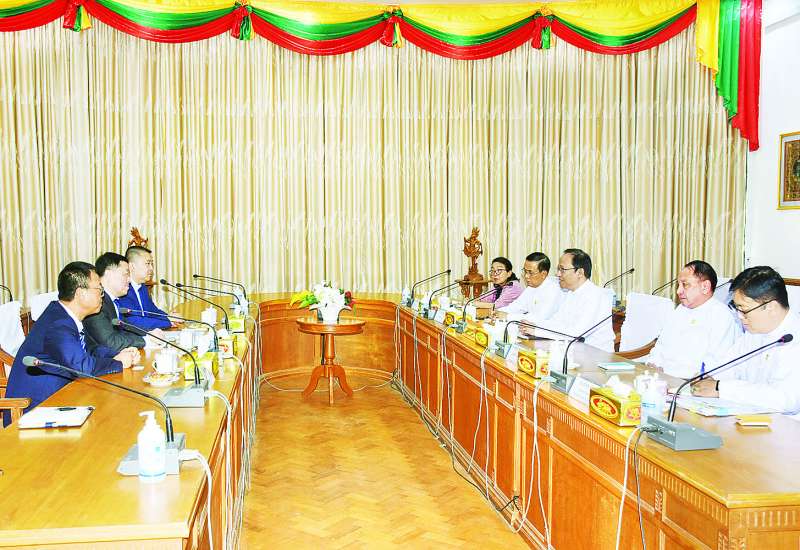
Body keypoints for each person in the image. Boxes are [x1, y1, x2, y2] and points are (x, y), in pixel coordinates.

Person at [4, 262, 137, 426]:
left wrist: (119, 354)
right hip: (35, 410)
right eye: (99, 290)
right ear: (80, 293)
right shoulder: (58, 323)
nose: (102, 295)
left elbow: (90, 349)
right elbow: (81, 366)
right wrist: (118, 363)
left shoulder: (67, 316)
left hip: (64, 397)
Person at [691, 266, 800, 414]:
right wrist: (709, 378)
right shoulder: (754, 332)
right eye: (736, 308)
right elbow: (729, 366)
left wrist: (721, 388)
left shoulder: (795, 339)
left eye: (743, 309)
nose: (739, 316)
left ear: (771, 307)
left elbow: (785, 400)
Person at [645, 261, 740, 378]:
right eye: (678, 285)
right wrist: (653, 364)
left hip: (690, 382)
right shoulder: (680, 309)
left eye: (685, 285)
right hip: (661, 377)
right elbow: (660, 346)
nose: (678, 291)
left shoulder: (721, 315)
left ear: (705, 287)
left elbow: (715, 364)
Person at [536, 248, 615, 351]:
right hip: (573, 350)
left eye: (562, 270)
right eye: (558, 269)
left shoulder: (595, 296)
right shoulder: (571, 293)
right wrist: (533, 326)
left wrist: (537, 331)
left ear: (580, 272)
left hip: (596, 355)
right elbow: (556, 321)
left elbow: (576, 334)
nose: (558, 274)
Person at [84, 252, 158, 353]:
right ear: (109, 274)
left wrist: (150, 334)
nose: (129, 280)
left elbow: (126, 328)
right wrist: (145, 341)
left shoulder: (113, 301)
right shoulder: (96, 303)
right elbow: (110, 342)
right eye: (126, 274)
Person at [495, 252, 563, 324]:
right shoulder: (531, 287)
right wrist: (497, 312)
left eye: (530, 273)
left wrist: (508, 316)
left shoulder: (553, 289)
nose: (526, 276)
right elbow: (516, 306)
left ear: (543, 274)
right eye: (525, 271)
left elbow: (538, 318)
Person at [117, 246, 172, 330]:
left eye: (152, 264)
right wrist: (168, 321)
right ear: (132, 266)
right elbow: (133, 321)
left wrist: (169, 317)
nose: (151, 269)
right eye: (148, 264)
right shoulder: (123, 289)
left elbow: (153, 312)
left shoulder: (142, 287)